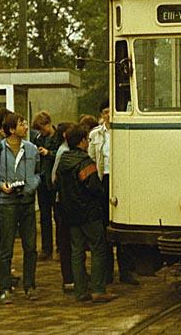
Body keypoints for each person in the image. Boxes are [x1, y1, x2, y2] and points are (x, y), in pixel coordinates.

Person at [0, 113, 40, 304]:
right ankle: (5, 287)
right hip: (6, 203)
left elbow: (39, 173)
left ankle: (30, 286)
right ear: (12, 129)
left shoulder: (31, 149)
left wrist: (31, 185)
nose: (25, 126)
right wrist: (1, 185)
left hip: (27, 201)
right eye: (21, 124)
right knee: (6, 247)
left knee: (30, 247)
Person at [57, 125, 117, 303]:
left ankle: (80, 290)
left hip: (71, 213)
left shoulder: (63, 161)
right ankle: (98, 289)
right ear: (82, 141)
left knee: (76, 251)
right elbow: (94, 188)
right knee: (98, 249)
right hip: (89, 213)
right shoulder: (85, 163)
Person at [88, 102, 138, 285]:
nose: (109, 115)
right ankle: (106, 271)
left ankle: (127, 270)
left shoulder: (124, 132)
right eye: (105, 112)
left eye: (111, 111)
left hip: (122, 181)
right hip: (105, 179)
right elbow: (92, 158)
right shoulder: (96, 134)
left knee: (123, 223)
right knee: (104, 227)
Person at [31, 111, 59, 261]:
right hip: (43, 182)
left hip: (54, 182)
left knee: (58, 216)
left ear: (48, 124)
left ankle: (59, 247)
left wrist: (49, 153)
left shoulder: (58, 138)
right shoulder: (38, 139)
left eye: (42, 128)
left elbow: (61, 156)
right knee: (44, 216)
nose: (41, 132)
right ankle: (46, 248)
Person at [51, 121, 75, 293]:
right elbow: (55, 178)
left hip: (65, 201)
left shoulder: (64, 151)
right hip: (64, 202)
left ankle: (72, 275)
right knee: (67, 240)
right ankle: (69, 277)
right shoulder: (64, 153)